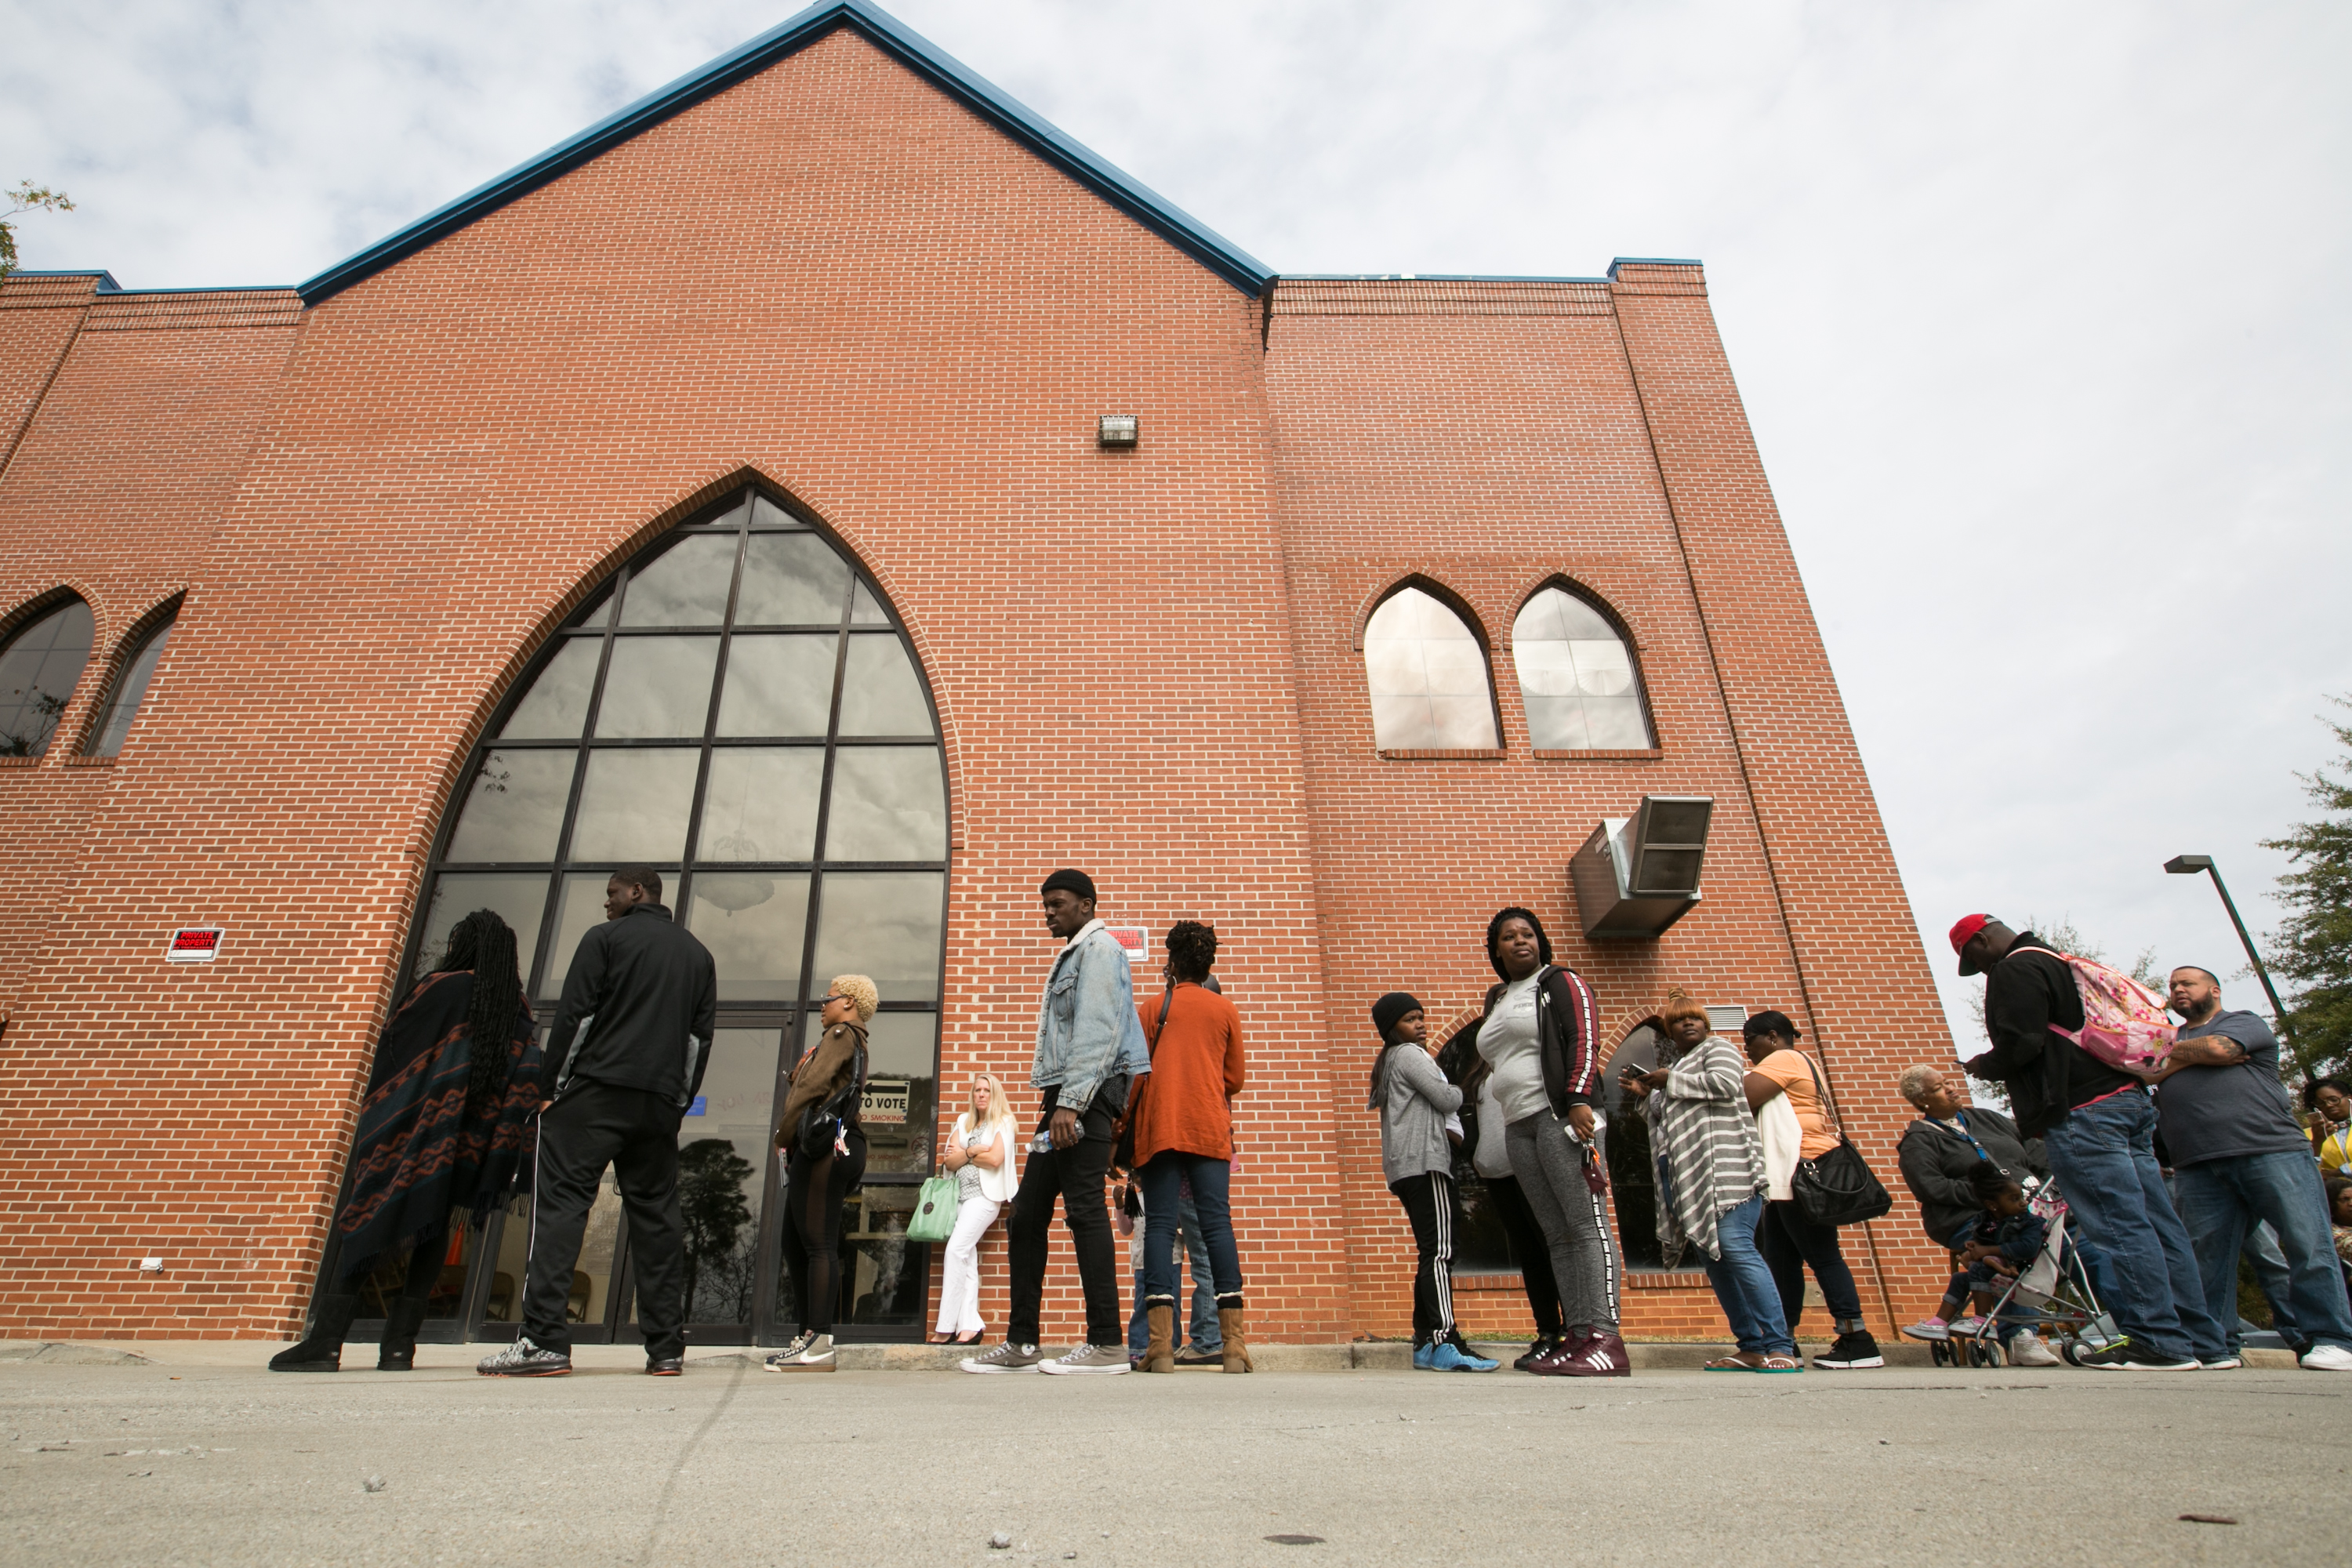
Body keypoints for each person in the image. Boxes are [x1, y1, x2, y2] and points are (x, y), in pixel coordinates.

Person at [272, 909, 542, 1372]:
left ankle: (326, 1343)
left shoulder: (440, 988)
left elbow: (397, 1047)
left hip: (413, 1127)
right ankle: (400, 1347)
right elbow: (522, 1072)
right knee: (432, 1227)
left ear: (464, 946)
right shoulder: (513, 1006)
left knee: (364, 1216)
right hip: (465, 1138)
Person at [1951, 914, 2224, 1371]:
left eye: (1972, 960)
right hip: (2128, 1101)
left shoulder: (2013, 969)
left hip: (2082, 1109)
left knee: (2119, 1225)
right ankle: (2205, 1342)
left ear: (1980, 941)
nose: (1979, 970)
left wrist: (1985, 1063)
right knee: (2159, 1224)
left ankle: (2159, 1340)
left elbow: (2024, 1042)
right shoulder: (2057, 959)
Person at [479, 867, 717, 1377]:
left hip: (595, 1093)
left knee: (562, 1205)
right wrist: (676, 1104)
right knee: (657, 1217)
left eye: (612, 893)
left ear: (637, 892)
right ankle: (666, 1348)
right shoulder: (698, 955)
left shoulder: (605, 939)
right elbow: (699, 1043)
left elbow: (575, 1017)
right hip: (656, 1106)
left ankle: (543, 1341)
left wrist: (547, 1091)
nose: (606, 903)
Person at [962, 869, 1152, 1375]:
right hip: (1062, 1101)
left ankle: (1107, 1343)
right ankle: (1023, 1342)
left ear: (1087, 905)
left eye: (1058, 903)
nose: (1048, 912)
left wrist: (1071, 1104)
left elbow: (1096, 1031)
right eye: (1045, 904)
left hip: (1083, 1100)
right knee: (1026, 1216)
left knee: (1085, 1209)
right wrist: (1057, 1104)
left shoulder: (1101, 951)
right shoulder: (1075, 952)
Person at [2147, 967, 2352, 1372]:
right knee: (2206, 1259)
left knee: (2306, 1245)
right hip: (2197, 1164)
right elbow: (2143, 1069)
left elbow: (2222, 1049)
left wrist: (2173, 1056)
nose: (2178, 989)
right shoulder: (2165, 1038)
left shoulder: (2243, 1022)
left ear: (2215, 990)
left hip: (2270, 1150)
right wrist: (2191, 1053)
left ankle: (2331, 1337)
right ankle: (2214, 1346)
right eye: (2173, 986)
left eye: (2188, 982)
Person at [1464, 907, 1626, 1377]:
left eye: (1528, 934)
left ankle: (1605, 1338)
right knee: (1556, 1234)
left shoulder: (1559, 982)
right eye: (1509, 937)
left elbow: (1584, 1036)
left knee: (1586, 1225)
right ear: (1495, 949)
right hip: (1519, 1125)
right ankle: (1576, 1335)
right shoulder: (1499, 999)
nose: (1520, 942)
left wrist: (1579, 1099)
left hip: (1560, 1116)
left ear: (1540, 941)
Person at [1621, 993, 1798, 1371]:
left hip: (1726, 1173)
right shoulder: (1680, 1065)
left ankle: (1781, 1345)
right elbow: (1664, 1116)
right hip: (1687, 1177)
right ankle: (1750, 1346)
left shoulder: (1719, 1049)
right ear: (1669, 1032)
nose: (1688, 1025)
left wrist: (1669, 1079)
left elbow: (1723, 1084)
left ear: (1707, 1025)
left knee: (1736, 1248)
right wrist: (1646, 1093)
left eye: (1695, 1019)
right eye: (1680, 1022)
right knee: (1716, 1262)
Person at [1126, 922, 1251, 1373]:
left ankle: (1159, 1348)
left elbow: (1135, 1076)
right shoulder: (1226, 1010)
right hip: (1208, 1128)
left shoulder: (1152, 1007)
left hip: (1161, 1129)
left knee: (1159, 1227)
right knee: (1218, 1226)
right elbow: (1234, 1079)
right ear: (1209, 963)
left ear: (1172, 962)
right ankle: (1233, 1346)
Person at [1740, 1011, 1882, 1370]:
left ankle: (1857, 1339)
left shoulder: (1785, 1058)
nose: (1747, 1051)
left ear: (1773, 1037)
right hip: (1788, 1175)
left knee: (1822, 1256)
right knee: (1782, 1260)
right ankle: (1783, 1342)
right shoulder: (1795, 1061)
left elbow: (1744, 1098)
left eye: (1749, 1042)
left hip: (1803, 1170)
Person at [1893, 1063, 2061, 1366]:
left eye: (1947, 1082)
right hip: (1973, 1221)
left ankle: (2120, 1322)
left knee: (2089, 1240)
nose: (1950, 1089)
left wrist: (2046, 1186)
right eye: (1938, 1089)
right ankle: (2021, 1336)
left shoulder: (1987, 1118)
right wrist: (1991, 1198)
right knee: (2012, 1242)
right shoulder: (1919, 1140)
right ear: (1923, 1103)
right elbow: (1931, 1188)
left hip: (2033, 1208)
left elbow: (2036, 1151)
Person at [1372, 992, 1496, 1371]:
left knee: (1431, 1252)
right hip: (1426, 1163)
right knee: (1441, 1252)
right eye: (1411, 1019)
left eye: (1421, 1017)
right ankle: (1445, 1340)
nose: (1421, 1025)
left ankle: (1425, 1342)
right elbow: (1445, 1098)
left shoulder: (1390, 1061)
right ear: (1392, 1028)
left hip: (1405, 1168)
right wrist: (1463, 1088)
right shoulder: (1409, 1055)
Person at [761, 976, 875, 1370]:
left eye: (827, 998)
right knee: (796, 1243)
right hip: (827, 1145)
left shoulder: (842, 1032)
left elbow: (812, 1086)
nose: (822, 1005)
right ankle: (807, 1336)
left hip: (829, 1144)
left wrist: (783, 1133)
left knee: (817, 1244)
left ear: (848, 1001)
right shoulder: (846, 1035)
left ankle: (820, 1340)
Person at [1463, 1060, 1568, 1370]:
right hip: (1497, 1172)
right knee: (1530, 1255)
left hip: (1533, 1168)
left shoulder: (1531, 1059)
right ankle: (1547, 1333)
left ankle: (1574, 1331)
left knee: (1553, 1248)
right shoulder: (1480, 1071)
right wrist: (1475, 1155)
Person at [1909, 1164, 2049, 1339]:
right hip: (1995, 1270)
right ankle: (1940, 1323)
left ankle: (1982, 1321)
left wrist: (1986, 1251)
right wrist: (1974, 1246)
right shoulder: (1985, 1220)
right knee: (1960, 1278)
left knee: (1978, 1270)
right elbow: (1982, 1240)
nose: (2023, 1202)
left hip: (2019, 1269)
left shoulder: (2030, 1222)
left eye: (2021, 1197)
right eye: (2014, 1199)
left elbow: (2027, 1249)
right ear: (1992, 1205)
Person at [932, 1073, 1017, 1345]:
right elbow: (949, 1162)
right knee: (966, 1259)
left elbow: (994, 1159)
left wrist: (965, 1153)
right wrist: (971, 1152)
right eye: (977, 1090)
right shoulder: (963, 1122)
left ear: (995, 1095)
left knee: (956, 1251)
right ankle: (970, 1327)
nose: (981, 1094)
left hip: (983, 1199)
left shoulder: (1004, 1122)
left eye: (986, 1090)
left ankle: (945, 1327)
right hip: (958, 1197)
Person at [2306, 1078, 2352, 1175]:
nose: (2328, 1105)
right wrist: (2317, 1142)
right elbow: (2305, 1171)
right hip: (2334, 1189)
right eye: (2321, 1103)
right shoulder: (2307, 1135)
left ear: (2349, 1098)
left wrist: (2337, 1172)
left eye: (2334, 1100)